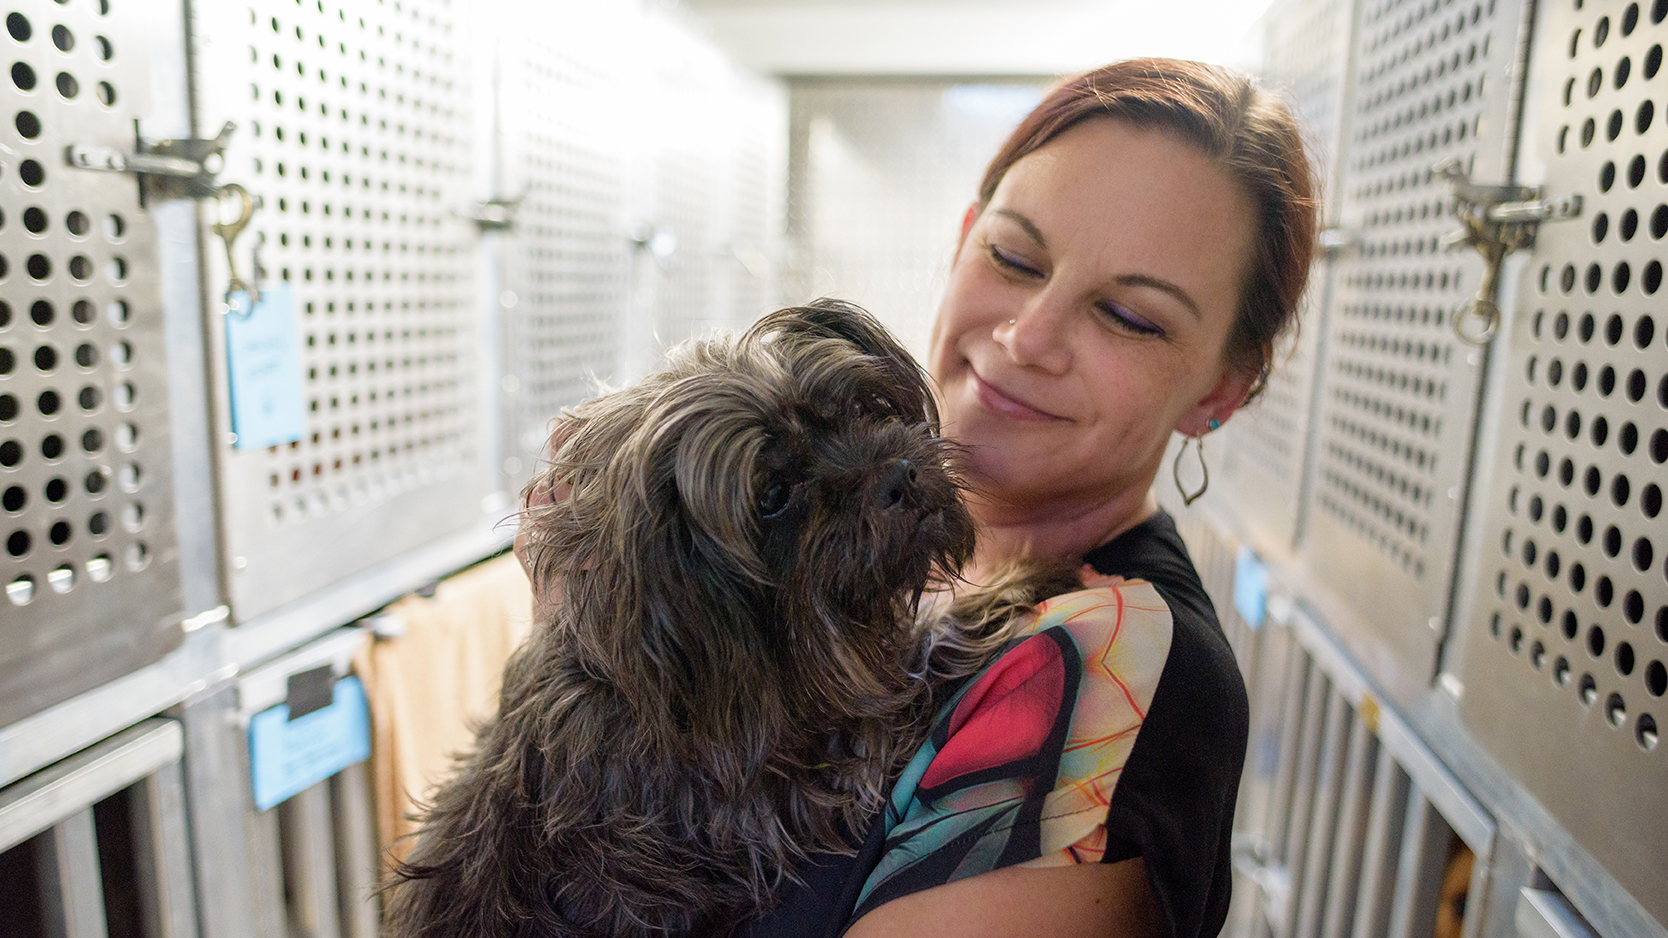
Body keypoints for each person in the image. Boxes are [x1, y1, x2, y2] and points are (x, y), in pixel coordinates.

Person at [739, 58, 1318, 938]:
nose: (1028, 335)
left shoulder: (1107, 661)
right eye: (1014, 256)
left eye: (1130, 316)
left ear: (1223, 390)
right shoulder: (856, 545)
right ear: (966, 234)